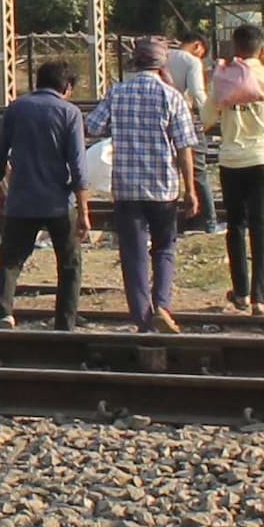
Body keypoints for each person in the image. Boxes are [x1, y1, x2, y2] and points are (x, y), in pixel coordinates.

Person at [91, 34, 201, 332]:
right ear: (162, 63)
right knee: (164, 247)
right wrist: (190, 190)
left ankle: (142, 319)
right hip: (163, 186)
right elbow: (184, 147)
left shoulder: (117, 93)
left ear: (135, 62)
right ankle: (162, 306)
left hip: (126, 189)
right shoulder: (172, 96)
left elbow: (93, 126)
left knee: (133, 253)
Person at [0, 62, 90, 330]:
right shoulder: (70, 113)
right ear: (66, 87)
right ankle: (65, 323)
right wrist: (84, 211)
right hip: (58, 203)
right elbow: (78, 166)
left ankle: (4, 314)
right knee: (69, 264)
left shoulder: (17, 108)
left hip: (21, 200)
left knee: (10, 260)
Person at [206, 22, 264, 313]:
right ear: (263, 50)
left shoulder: (223, 79)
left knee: (236, 226)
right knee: (261, 227)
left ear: (234, 47)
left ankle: (240, 293)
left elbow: (206, 119)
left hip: (231, 160)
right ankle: (260, 298)